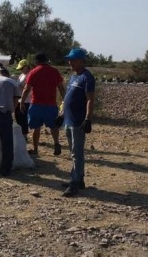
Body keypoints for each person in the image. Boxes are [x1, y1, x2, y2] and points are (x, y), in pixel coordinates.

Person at [61, 48, 95, 197]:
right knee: (73, 151)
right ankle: (78, 179)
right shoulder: (73, 77)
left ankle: (75, 183)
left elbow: (90, 100)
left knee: (77, 152)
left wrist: (88, 119)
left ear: (81, 60)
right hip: (68, 120)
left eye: (73, 60)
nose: (70, 62)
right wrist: (61, 114)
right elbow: (68, 97)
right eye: (69, 60)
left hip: (78, 121)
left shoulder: (87, 77)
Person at [20, 53, 65, 156]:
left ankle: (35, 149)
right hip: (51, 104)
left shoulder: (33, 72)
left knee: (36, 127)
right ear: (46, 60)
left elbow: (27, 89)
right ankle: (56, 143)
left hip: (36, 104)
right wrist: (65, 100)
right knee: (53, 126)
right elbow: (61, 88)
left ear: (36, 62)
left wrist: (22, 102)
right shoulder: (54, 71)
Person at [14, 59, 32, 140]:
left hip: (26, 100)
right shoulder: (21, 75)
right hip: (19, 99)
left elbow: (28, 88)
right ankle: (20, 133)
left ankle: (24, 135)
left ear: (27, 67)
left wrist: (20, 87)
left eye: (22, 68)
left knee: (23, 118)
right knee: (18, 117)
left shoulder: (30, 75)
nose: (21, 70)